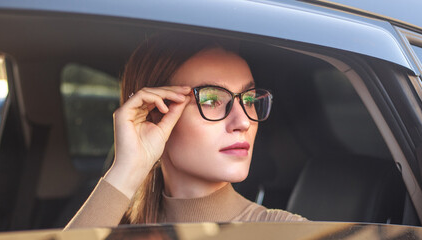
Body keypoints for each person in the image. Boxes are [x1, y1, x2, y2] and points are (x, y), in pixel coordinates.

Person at [65, 33, 306, 229]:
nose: (243, 121)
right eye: (211, 101)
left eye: (250, 99)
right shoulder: (113, 227)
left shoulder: (285, 231)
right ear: (156, 114)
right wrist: (126, 169)